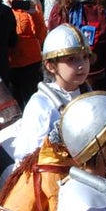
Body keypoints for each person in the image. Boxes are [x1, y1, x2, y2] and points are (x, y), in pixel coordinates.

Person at [12, 24, 92, 162]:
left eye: (85, 57)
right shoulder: (41, 104)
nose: (81, 65)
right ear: (51, 66)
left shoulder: (92, 96)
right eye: (71, 59)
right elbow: (29, 157)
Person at [4, 0, 49, 106]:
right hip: (11, 65)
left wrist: (34, 14)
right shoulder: (4, 11)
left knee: (32, 101)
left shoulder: (31, 10)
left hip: (30, 64)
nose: (8, 0)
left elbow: (41, 35)